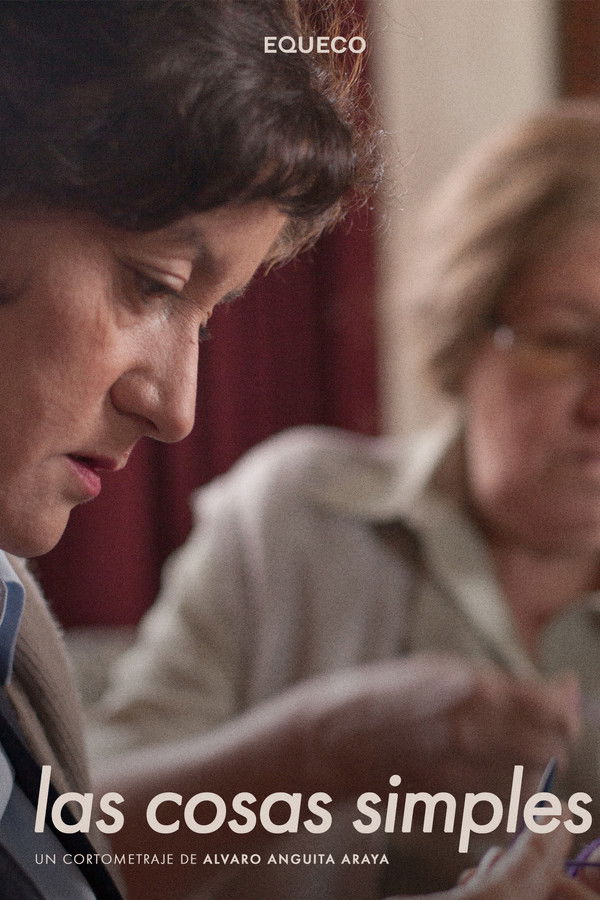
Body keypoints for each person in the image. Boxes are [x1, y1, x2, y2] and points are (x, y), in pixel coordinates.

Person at [0, 4, 590, 899]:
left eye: (208, 318)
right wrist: (316, 748)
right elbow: (87, 843)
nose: (176, 411)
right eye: (565, 340)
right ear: (470, 328)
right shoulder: (292, 513)